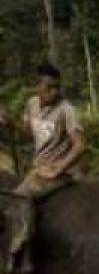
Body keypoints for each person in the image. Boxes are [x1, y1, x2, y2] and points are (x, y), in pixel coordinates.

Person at [0, 63, 86, 197]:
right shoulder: (31, 104)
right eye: (50, 87)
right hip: (40, 168)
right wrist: (10, 121)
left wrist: (59, 168)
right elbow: (28, 132)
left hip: (60, 172)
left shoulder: (66, 110)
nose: (55, 91)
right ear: (37, 87)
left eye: (57, 87)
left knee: (18, 199)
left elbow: (79, 145)